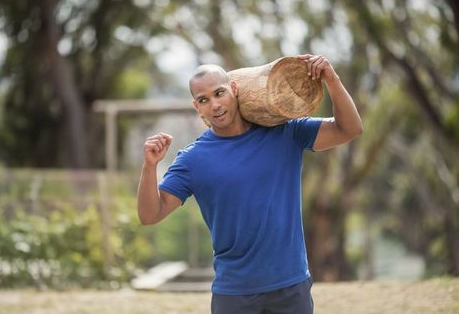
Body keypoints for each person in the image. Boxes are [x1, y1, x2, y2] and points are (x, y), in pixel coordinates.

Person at [137, 54, 363, 314]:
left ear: (234, 89)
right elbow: (149, 215)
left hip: (291, 286)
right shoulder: (192, 159)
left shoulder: (285, 132)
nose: (214, 105)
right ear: (196, 107)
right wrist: (149, 166)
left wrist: (331, 81)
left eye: (219, 93)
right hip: (234, 294)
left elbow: (349, 129)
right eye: (204, 100)